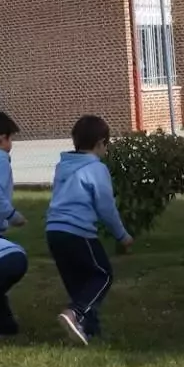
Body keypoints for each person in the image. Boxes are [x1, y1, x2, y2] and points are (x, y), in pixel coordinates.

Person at [46, 114, 132, 345]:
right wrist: (121, 235)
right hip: (78, 232)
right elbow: (106, 207)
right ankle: (74, 313)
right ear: (100, 143)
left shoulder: (62, 166)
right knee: (103, 275)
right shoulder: (97, 169)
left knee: (80, 285)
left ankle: (88, 329)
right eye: (106, 145)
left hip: (53, 231)